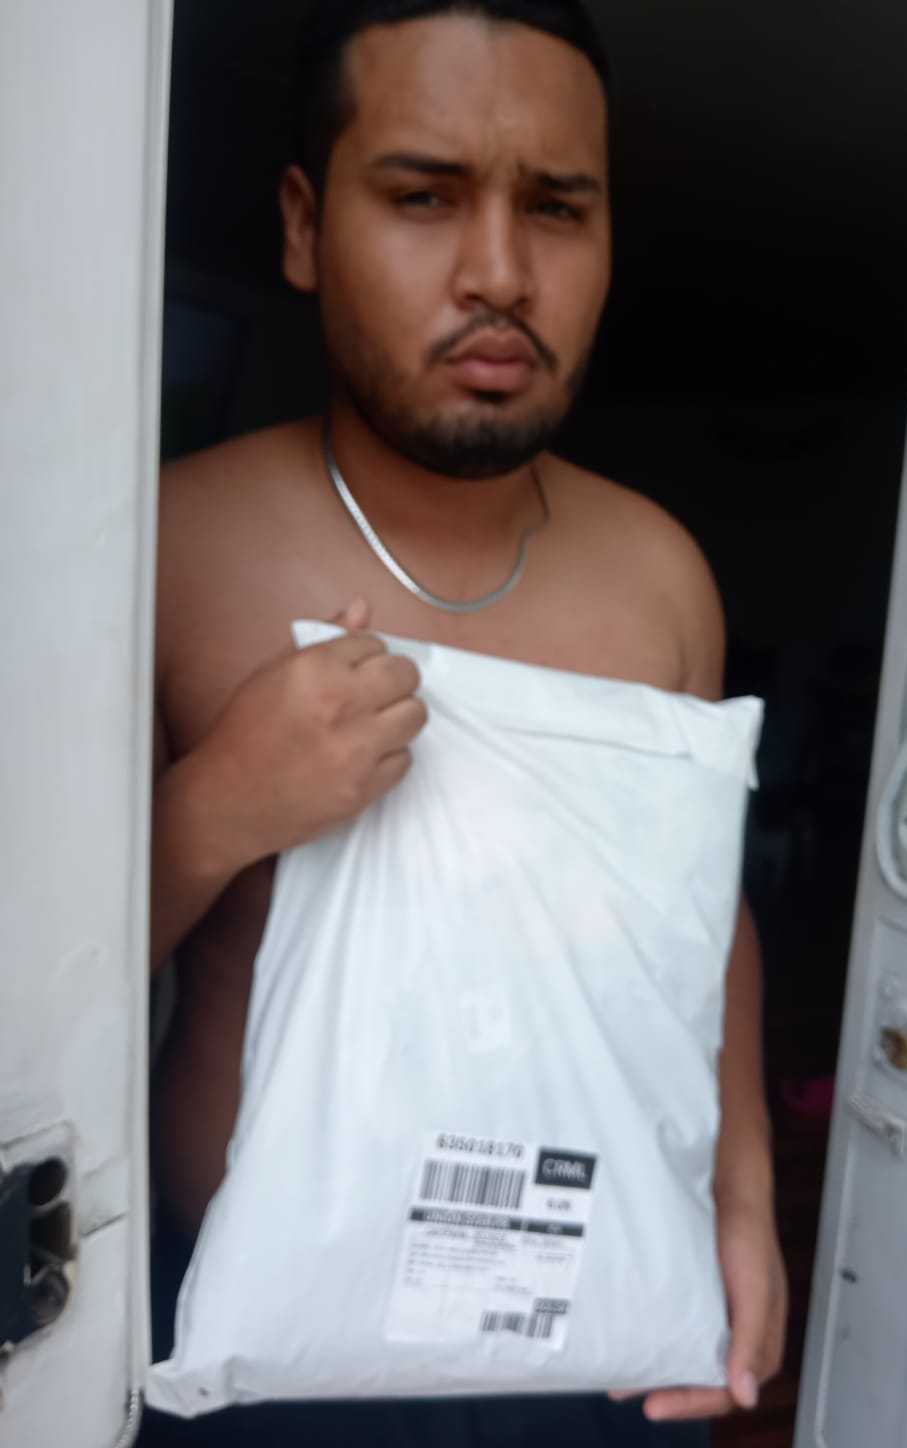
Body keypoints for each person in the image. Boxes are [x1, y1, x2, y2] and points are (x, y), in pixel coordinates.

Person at [144, 1, 787, 1442]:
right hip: (255, 1353)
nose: (500, 273)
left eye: (556, 208)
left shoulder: (660, 574)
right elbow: (33, 1001)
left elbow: (702, 916)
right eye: (424, 197)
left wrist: (741, 1197)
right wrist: (218, 809)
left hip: (590, 1335)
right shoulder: (171, 553)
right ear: (305, 227)